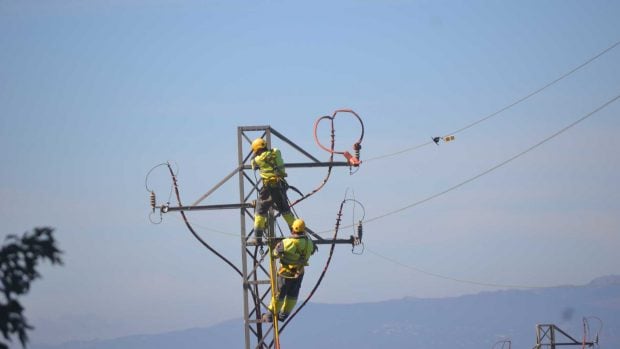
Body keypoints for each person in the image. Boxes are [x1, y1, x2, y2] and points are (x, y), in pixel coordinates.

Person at [263, 219, 315, 322]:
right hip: (299, 273)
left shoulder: (286, 243)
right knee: (292, 296)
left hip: (285, 274)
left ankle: (269, 316)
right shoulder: (309, 243)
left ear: (293, 229)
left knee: (279, 295)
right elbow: (312, 251)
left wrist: (276, 248)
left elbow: (274, 254)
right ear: (304, 230)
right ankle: (283, 316)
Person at [250, 138, 296, 244]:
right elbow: (275, 151)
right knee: (285, 210)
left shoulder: (259, 159)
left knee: (260, 211)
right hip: (280, 185)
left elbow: (253, 164)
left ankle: (258, 238)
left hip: (268, 188)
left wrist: (255, 154)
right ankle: (297, 233)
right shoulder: (276, 152)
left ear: (256, 150)